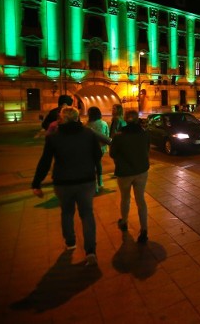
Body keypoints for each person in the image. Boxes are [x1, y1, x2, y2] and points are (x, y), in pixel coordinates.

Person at [31, 106, 103, 266]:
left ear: (62, 119)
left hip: (63, 183)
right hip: (86, 181)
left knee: (67, 212)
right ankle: (90, 250)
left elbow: (45, 162)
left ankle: (70, 241)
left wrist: (37, 183)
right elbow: (98, 155)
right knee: (87, 214)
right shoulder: (88, 134)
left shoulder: (54, 138)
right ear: (77, 118)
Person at [109, 109, 150, 244]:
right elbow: (147, 149)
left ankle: (125, 221)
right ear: (137, 119)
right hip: (142, 171)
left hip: (125, 172)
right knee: (141, 200)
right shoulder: (144, 134)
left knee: (125, 198)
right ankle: (144, 230)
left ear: (125, 119)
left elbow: (113, 154)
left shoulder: (119, 136)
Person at [86, 106, 111, 193]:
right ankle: (100, 182)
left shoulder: (87, 125)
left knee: (92, 166)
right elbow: (107, 136)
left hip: (90, 148)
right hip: (101, 148)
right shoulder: (103, 123)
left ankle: (95, 185)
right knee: (98, 163)